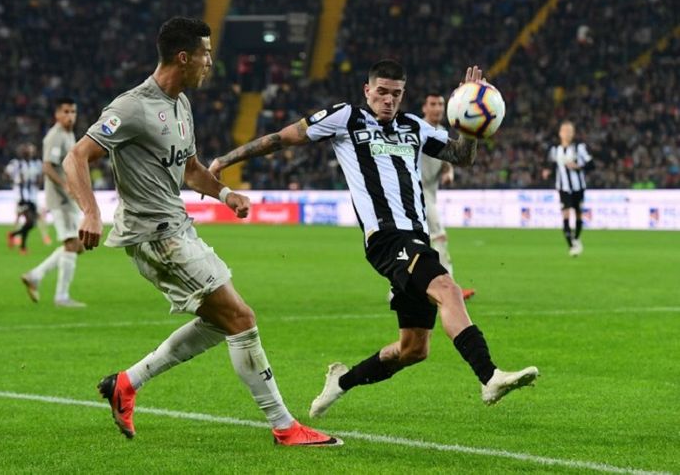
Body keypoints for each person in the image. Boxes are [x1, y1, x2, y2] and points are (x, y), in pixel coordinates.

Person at [62, 16, 341, 447]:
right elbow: (76, 156)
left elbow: (190, 170)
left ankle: (126, 383)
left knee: (221, 323)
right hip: (156, 236)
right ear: (183, 57)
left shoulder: (181, 105)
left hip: (178, 227)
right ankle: (286, 427)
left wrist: (225, 193)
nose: (211, 62)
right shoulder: (131, 107)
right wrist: (90, 212)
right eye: (206, 54)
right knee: (242, 318)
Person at [210, 60, 538, 418]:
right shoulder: (346, 118)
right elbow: (283, 137)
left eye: (396, 94)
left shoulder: (415, 127)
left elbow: (461, 157)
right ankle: (489, 376)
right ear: (367, 91)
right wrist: (227, 159)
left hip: (415, 239)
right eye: (381, 92)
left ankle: (342, 381)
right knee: (448, 288)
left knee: (414, 349)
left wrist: (470, 126)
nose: (388, 100)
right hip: (385, 238)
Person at [21, 98, 86, 307]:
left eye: (73, 112)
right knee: (72, 244)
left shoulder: (68, 134)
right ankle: (61, 296)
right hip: (61, 200)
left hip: (70, 198)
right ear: (57, 114)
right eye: (66, 112)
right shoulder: (55, 136)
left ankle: (35, 275)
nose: (70, 116)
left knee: (79, 245)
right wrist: (66, 186)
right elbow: (47, 167)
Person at [419, 92, 475, 300]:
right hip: (417, 193)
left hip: (430, 194)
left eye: (440, 104)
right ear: (424, 108)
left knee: (417, 242)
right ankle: (451, 287)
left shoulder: (442, 132)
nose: (437, 108)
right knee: (439, 236)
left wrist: (449, 173)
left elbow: (446, 163)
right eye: (432, 104)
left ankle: (399, 289)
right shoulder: (417, 129)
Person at [542, 120, 594, 256]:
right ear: (560, 133)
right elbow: (550, 165)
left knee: (578, 214)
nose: (567, 133)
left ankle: (576, 238)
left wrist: (579, 166)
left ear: (573, 133)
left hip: (579, 188)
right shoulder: (554, 150)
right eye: (565, 130)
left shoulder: (580, 148)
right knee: (565, 214)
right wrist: (547, 171)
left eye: (570, 131)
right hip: (563, 188)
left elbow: (591, 164)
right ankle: (571, 246)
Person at [5, 143, 42, 255]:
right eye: (27, 151)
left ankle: (13, 235)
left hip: (33, 196)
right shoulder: (16, 164)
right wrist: (15, 181)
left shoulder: (36, 164)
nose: (29, 152)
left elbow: (40, 177)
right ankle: (22, 247)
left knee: (31, 223)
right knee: (29, 221)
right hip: (21, 196)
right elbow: (6, 174)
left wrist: (39, 181)